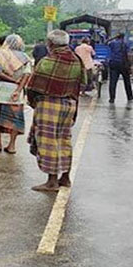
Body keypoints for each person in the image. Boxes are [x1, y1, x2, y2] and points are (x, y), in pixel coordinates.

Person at [26, 30, 86, 192]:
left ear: (50, 44)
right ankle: (65, 177)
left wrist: (32, 102)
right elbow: (83, 82)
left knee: (48, 141)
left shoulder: (47, 61)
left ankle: (52, 181)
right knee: (64, 140)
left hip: (49, 105)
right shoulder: (76, 60)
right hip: (69, 104)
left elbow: (32, 86)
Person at [0, 35, 32, 155]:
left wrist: (11, 80)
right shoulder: (25, 57)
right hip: (16, 92)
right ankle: (11, 145)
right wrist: (18, 89)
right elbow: (26, 75)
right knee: (15, 119)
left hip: (1, 89)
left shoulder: (0, 54)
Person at [107, 33, 133, 103]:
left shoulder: (112, 43)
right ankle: (129, 96)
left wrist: (113, 37)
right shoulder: (126, 44)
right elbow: (129, 55)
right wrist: (131, 65)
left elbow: (106, 42)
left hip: (113, 64)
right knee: (127, 81)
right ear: (123, 37)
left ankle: (112, 98)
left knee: (113, 82)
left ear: (117, 37)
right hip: (124, 65)